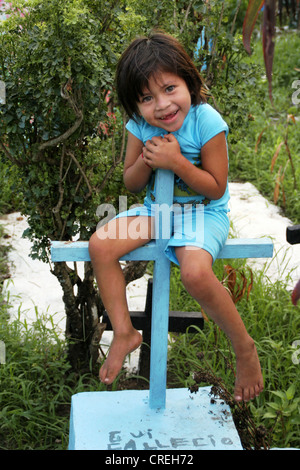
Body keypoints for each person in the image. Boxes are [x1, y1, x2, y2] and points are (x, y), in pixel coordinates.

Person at [89, 31, 264, 402]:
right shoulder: (140, 127)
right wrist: (146, 161)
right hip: (157, 211)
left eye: (170, 89)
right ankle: (124, 331)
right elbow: (131, 182)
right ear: (136, 107)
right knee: (100, 246)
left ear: (189, 81)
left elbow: (215, 187)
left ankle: (244, 347)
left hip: (203, 213)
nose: (162, 105)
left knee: (196, 273)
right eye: (147, 98)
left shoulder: (207, 122)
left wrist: (178, 163)